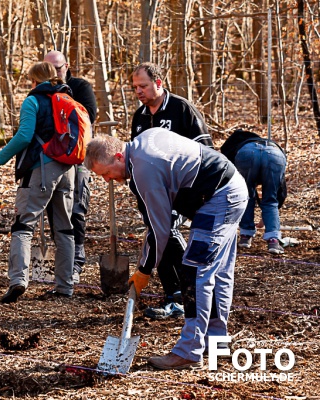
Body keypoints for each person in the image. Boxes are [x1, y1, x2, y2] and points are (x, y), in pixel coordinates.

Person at [84, 128, 247, 370]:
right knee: (218, 272)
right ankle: (216, 342)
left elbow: (160, 230)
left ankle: (189, 351)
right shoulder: (143, 142)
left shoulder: (142, 170)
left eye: (106, 173)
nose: (108, 180)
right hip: (231, 189)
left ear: (119, 156)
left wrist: (144, 270)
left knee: (195, 271)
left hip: (219, 198)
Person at [130, 62, 214, 320]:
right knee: (157, 234)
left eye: (143, 86)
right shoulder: (140, 116)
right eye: (135, 87)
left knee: (166, 232)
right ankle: (174, 296)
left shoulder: (182, 109)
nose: (139, 91)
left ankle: (185, 295)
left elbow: (205, 149)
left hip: (184, 190)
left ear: (158, 83)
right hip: (153, 192)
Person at [0, 61, 75, 303]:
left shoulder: (33, 100)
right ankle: (65, 286)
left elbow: (25, 135)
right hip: (68, 170)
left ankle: (18, 280)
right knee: (65, 228)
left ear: (34, 80)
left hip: (40, 169)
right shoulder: (67, 98)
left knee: (23, 225)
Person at [43, 50, 97, 279]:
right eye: (49, 69)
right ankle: (64, 258)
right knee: (53, 207)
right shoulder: (41, 93)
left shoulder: (80, 87)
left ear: (67, 66)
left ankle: (77, 259)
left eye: (58, 68)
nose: (54, 73)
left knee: (76, 207)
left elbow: (89, 117)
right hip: (52, 157)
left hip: (79, 155)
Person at [221, 129, 288, 254]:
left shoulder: (231, 150)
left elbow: (233, 184)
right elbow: (281, 191)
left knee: (246, 195)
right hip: (275, 153)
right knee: (270, 199)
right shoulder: (266, 144)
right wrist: (272, 212)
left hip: (247, 154)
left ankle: (245, 237)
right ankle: (273, 241)